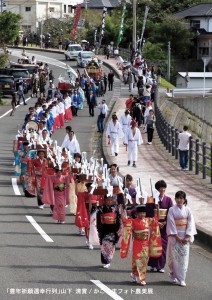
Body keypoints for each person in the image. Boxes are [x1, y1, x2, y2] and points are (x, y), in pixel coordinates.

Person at [120, 204, 162, 286]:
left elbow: (157, 219)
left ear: (145, 213)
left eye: (143, 213)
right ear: (137, 213)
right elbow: (124, 220)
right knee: (136, 260)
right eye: (140, 213)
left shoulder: (148, 220)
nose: (142, 214)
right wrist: (122, 210)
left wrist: (157, 208)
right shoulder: (133, 221)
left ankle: (142, 278)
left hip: (145, 244)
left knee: (144, 261)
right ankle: (134, 275)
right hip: (136, 243)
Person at [166, 191, 197, 286]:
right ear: (175, 199)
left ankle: (182, 278)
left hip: (185, 236)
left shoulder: (188, 210)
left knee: (183, 258)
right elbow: (171, 223)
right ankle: (173, 275)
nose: (179, 200)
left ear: (184, 200)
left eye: (181, 198)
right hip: (175, 236)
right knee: (173, 257)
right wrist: (177, 236)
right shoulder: (171, 209)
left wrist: (187, 237)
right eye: (177, 198)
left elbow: (190, 223)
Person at [148, 180, 173, 273]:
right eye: (160, 188)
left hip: (164, 226)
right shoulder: (151, 199)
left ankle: (160, 265)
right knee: (153, 244)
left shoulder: (169, 200)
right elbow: (149, 213)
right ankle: (152, 264)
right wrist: (155, 222)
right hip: (154, 225)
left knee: (163, 246)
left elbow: (171, 213)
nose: (162, 189)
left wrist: (165, 222)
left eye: (164, 188)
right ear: (157, 189)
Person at [96, 195, 121, 268]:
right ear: (104, 201)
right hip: (104, 228)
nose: (109, 202)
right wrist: (99, 229)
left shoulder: (115, 209)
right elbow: (98, 220)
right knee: (104, 245)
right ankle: (104, 261)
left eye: (111, 200)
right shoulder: (100, 209)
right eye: (107, 200)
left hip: (112, 229)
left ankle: (108, 260)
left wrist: (117, 228)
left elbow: (117, 219)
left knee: (111, 245)